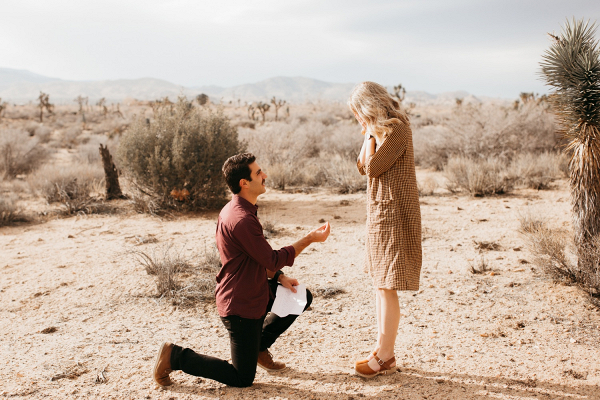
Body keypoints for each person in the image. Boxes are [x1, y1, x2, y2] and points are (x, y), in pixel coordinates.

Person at [153, 153, 331, 388]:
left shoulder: (240, 210)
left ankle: (257, 347)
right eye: (258, 173)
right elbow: (272, 258)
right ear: (244, 183)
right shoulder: (241, 219)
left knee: (300, 296)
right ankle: (174, 356)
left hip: (254, 290)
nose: (264, 175)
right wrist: (309, 239)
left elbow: (255, 259)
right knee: (242, 378)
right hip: (241, 306)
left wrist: (279, 277)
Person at [349, 82, 422, 378]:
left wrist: (369, 132)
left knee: (388, 286)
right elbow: (360, 165)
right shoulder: (379, 132)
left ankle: (385, 354)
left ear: (368, 108)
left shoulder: (398, 129)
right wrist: (370, 133)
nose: (357, 118)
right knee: (380, 284)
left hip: (395, 214)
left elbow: (373, 167)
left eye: (358, 112)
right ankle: (382, 352)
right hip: (381, 213)